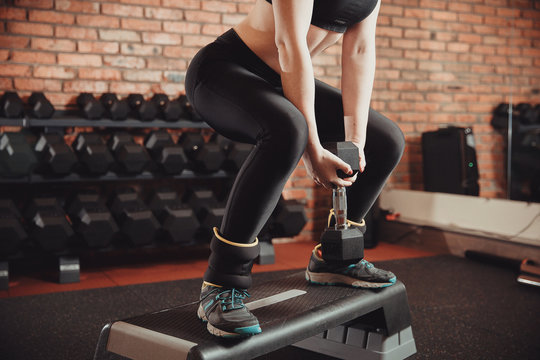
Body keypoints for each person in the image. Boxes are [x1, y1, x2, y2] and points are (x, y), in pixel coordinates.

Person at [185, 0, 405, 338]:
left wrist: (356, 140)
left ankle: (336, 258)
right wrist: (313, 150)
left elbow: (360, 50)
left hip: (279, 79)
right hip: (224, 72)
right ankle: (221, 283)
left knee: (385, 140)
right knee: (290, 131)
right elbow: (290, 44)